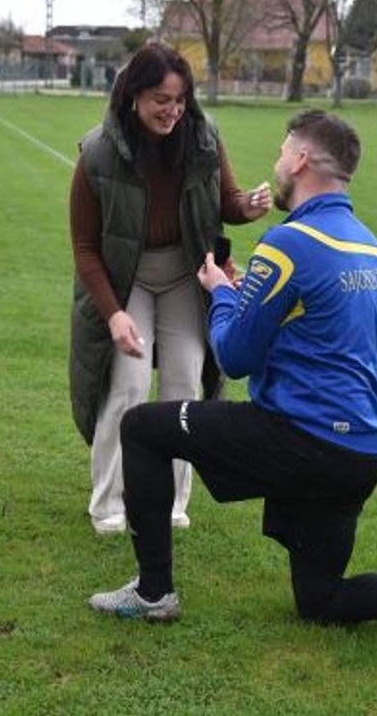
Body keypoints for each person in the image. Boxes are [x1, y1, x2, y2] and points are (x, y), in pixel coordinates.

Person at [87, 110, 377, 647]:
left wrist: (220, 292)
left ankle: (153, 593)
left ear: (303, 159)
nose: (278, 162)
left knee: (144, 426)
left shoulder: (290, 242)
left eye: (284, 151)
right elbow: (317, 334)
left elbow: (236, 357)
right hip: (358, 455)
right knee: (321, 600)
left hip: (301, 440)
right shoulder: (372, 249)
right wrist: (246, 297)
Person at [69, 43, 270, 535]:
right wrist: (115, 314)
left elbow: (225, 201)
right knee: (130, 386)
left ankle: (174, 502)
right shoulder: (97, 153)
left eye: (180, 100)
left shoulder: (202, 138)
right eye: (162, 99)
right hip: (127, 277)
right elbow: (85, 248)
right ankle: (109, 505)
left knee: (185, 383)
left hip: (184, 273)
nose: (173, 110)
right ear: (134, 96)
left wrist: (249, 206)